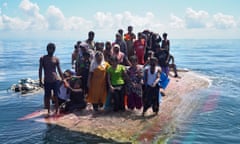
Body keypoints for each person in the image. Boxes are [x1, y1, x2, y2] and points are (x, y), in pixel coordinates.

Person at [39, 43, 63, 114]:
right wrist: (40, 80)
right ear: (47, 49)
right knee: (47, 96)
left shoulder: (56, 59)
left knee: (56, 95)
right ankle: (48, 111)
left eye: (52, 48)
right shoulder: (43, 58)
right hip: (47, 80)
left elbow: (59, 70)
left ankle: (57, 110)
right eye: (50, 48)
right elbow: (40, 69)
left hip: (55, 80)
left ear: (54, 50)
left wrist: (63, 79)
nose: (51, 50)